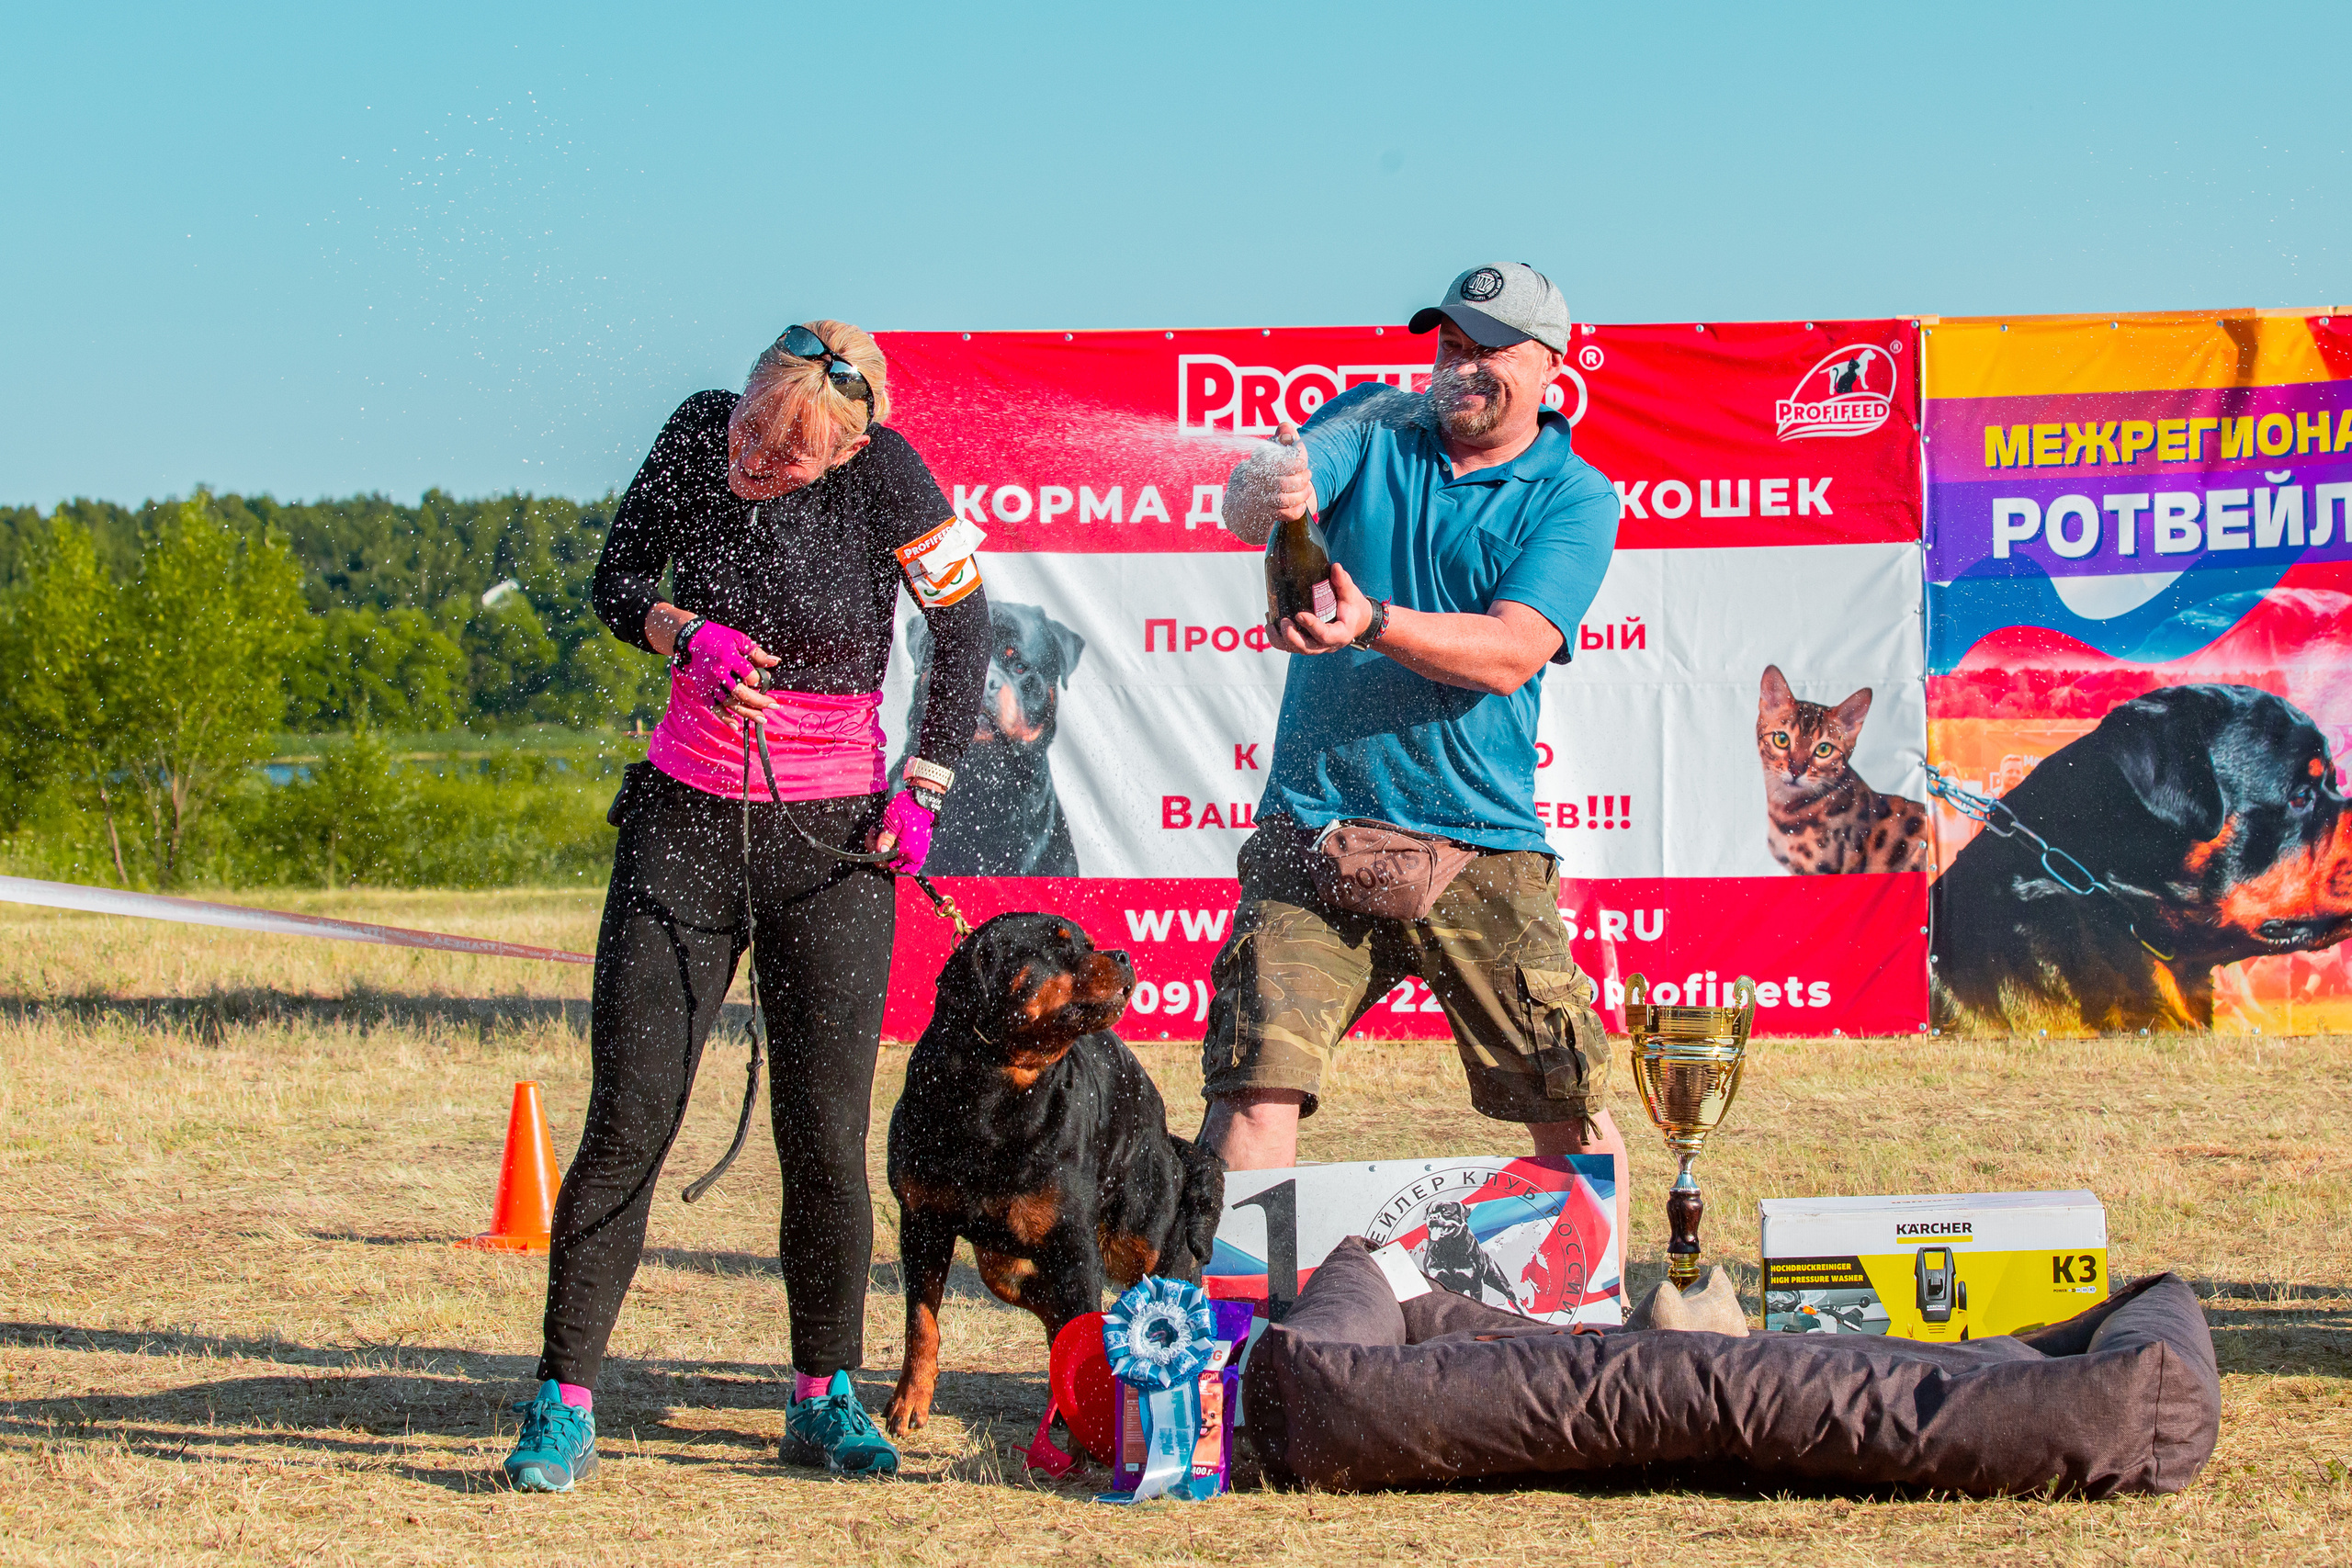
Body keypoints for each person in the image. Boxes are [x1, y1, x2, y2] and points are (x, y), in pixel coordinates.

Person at [502, 321, 992, 1490]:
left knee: (822, 1138)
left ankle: (823, 1395)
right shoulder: (691, 430)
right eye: (749, 439)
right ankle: (562, 1400)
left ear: (851, 445)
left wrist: (923, 784)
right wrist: (683, 633)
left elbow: (965, 627)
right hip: (682, 830)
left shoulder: (892, 477)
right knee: (628, 1119)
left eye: (788, 458)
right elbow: (615, 584)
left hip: (831, 848)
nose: (755, 466)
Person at [1199, 263, 1632, 1242]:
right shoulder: (1374, 419)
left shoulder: (1575, 497)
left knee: (1563, 1098)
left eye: (1491, 350)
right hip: (1315, 827)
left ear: (1552, 369)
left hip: (1479, 841)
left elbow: (1512, 651)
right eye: (1451, 345)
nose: (1463, 366)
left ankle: (1588, 1321)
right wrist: (1266, 488)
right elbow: (1252, 504)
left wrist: (1372, 621)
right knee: (1253, 1089)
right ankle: (1234, 1347)